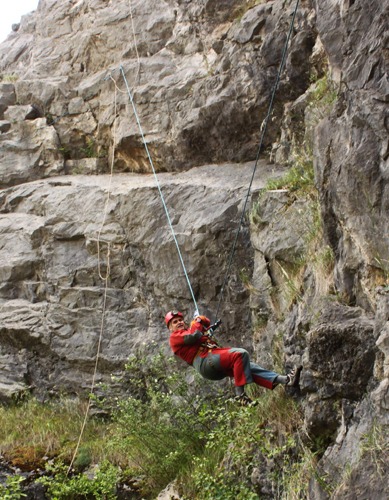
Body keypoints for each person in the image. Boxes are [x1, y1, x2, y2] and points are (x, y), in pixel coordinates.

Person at [166, 310, 302, 406]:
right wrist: (197, 321)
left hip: (212, 359)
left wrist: (201, 319)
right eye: (174, 322)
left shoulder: (189, 330)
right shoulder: (175, 337)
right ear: (170, 328)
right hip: (205, 361)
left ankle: (287, 380)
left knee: (248, 366)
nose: (178, 322)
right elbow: (194, 335)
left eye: (180, 320)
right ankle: (240, 395)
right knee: (240, 354)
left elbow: (205, 323)